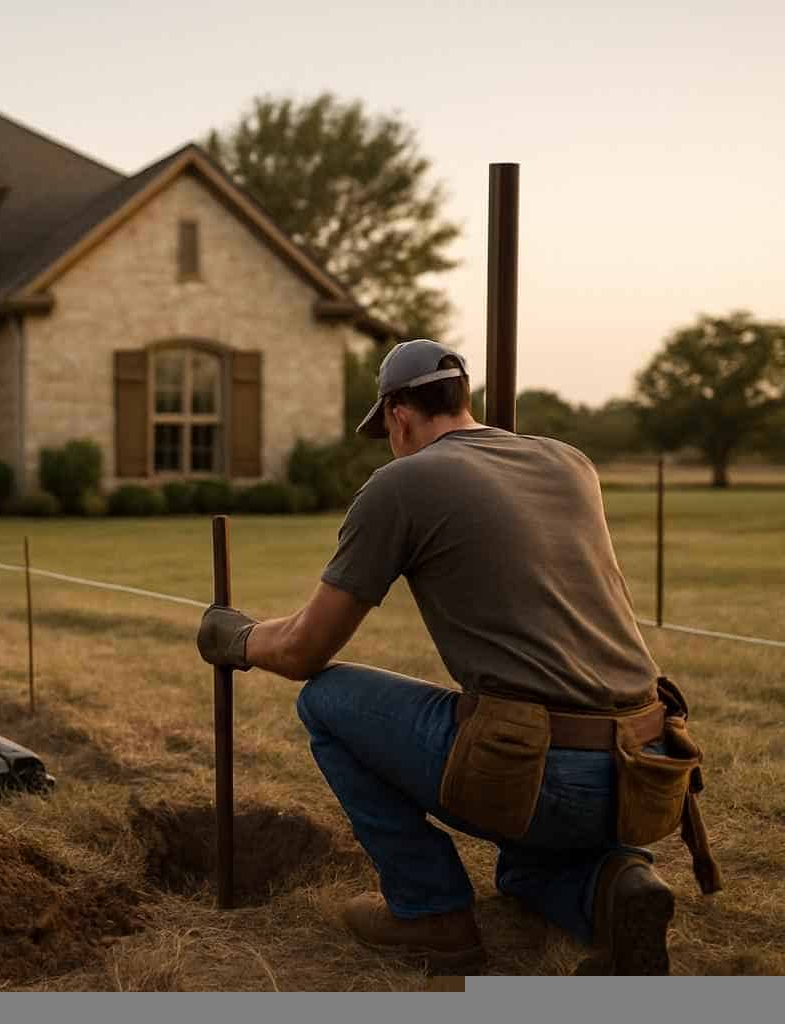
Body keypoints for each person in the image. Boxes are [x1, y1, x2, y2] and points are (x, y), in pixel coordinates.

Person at [196, 339, 719, 976]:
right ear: (462, 398)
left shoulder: (404, 482)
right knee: (522, 865)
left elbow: (306, 649)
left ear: (398, 414)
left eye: (387, 427)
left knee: (327, 700)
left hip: (538, 772)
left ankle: (429, 913)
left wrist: (236, 637)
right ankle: (615, 887)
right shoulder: (568, 462)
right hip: (645, 768)